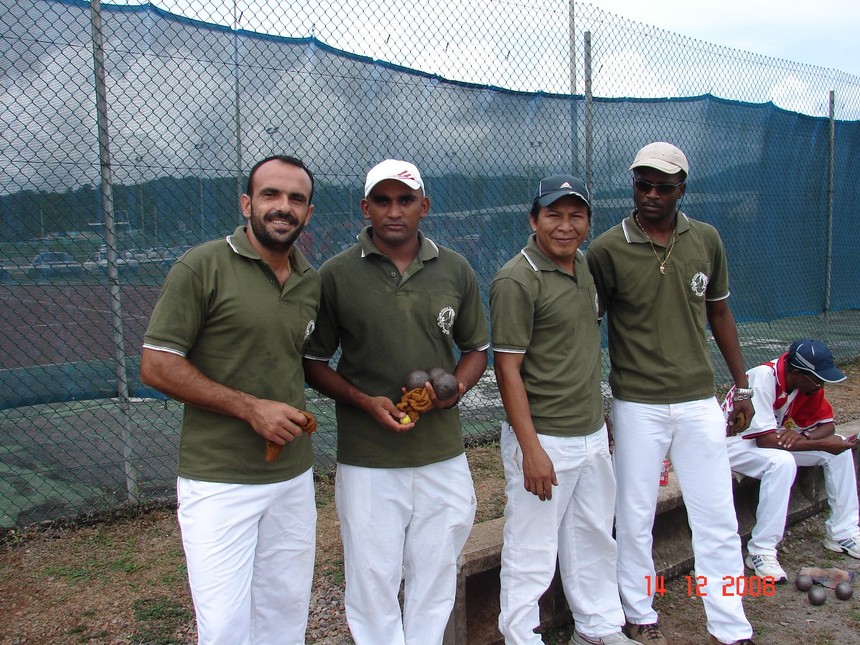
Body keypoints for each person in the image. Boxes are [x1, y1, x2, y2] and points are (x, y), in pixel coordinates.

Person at [302, 159, 489, 644]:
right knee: (371, 575)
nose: (394, 211)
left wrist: (455, 391)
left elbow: (476, 351)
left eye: (405, 200)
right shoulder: (337, 274)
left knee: (435, 567)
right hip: (369, 454)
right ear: (365, 208)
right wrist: (366, 402)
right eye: (381, 201)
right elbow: (314, 362)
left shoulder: (455, 268)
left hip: (440, 452)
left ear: (423, 205)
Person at [140, 155, 320, 644]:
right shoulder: (202, 266)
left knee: (285, 613)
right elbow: (157, 365)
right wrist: (250, 408)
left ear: (307, 213)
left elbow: (299, 362)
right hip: (219, 478)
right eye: (271, 195)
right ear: (247, 203)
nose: (283, 207)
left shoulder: (310, 280)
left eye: (296, 199)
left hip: (293, 476)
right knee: (224, 626)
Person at [586, 142, 756, 645]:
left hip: (700, 401)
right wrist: (598, 405)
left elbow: (720, 313)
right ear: (632, 185)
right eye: (643, 185)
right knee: (634, 516)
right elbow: (584, 325)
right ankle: (639, 611)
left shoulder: (705, 239)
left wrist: (742, 387)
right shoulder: (605, 250)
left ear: (682, 189)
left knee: (717, 514)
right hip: (636, 403)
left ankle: (731, 624)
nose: (652, 195)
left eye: (664, 186)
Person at [490, 176, 633, 645]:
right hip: (544, 437)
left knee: (593, 537)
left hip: (590, 433)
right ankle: (521, 637)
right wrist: (531, 450)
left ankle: (597, 629)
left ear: (588, 223)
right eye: (554, 214)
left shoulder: (586, 267)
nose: (565, 226)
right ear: (534, 220)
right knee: (531, 549)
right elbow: (507, 371)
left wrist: (601, 423)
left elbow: (580, 349)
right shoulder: (517, 278)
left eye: (576, 215)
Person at [723, 338, 860, 582]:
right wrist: (819, 443)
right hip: (732, 443)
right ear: (797, 372)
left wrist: (807, 437)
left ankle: (843, 532)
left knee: (838, 448)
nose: (820, 384)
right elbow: (765, 441)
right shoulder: (762, 377)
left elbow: (826, 426)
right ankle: (761, 551)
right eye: (817, 378)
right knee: (781, 461)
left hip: (766, 440)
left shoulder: (805, 384)